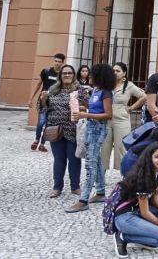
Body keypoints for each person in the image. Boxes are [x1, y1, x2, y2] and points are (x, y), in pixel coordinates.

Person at [112, 142, 158, 258]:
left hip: (138, 209)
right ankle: (123, 236)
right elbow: (145, 213)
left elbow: (154, 198)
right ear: (149, 158)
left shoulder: (157, 171)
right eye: (157, 156)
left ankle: (145, 232)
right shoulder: (143, 177)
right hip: (125, 216)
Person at [66, 63, 114, 212]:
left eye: (92, 74)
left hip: (98, 130)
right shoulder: (96, 91)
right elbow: (95, 108)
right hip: (91, 128)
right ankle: (100, 192)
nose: (89, 76)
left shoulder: (106, 93)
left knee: (90, 164)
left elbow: (108, 115)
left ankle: (83, 200)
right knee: (97, 160)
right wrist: (83, 107)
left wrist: (85, 114)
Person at [44, 64, 88, 198]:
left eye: (69, 73)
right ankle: (57, 187)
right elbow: (43, 109)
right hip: (55, 129)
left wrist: (80, 107)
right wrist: (43, 100)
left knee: (74, 159)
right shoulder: (53, 89)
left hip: (73, 129)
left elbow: (88, 106)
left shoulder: (80, 89)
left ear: (74, 75)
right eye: (64, 73)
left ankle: (75, 186)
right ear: (60, 76)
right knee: (59, 159)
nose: (67, 75)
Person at [102, 62, 146, 171]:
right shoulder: (106, 84)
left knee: (121, 149)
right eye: (113, 71)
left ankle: (124, 176)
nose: (115, 73)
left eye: (118, 71)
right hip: (106, 119)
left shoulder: (129, 85)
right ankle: (100, 177)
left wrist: (131, 107)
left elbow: (144, 96)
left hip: (121, 120)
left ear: (124, 73)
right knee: (103, 148)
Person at [28, 52, 65, 152]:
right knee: (41, 122)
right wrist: (31, 98)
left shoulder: (62, 75)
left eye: (59, 62)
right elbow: (38, 84)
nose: (57, 63)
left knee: (49, 124)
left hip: (55, 103)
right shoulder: (46, 71)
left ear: (62, 63)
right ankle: (36, 139)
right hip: (43, 101)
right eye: (55, 61)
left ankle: (42, 143)